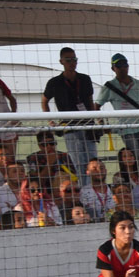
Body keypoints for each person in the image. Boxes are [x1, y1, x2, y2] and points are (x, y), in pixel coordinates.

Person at [41, 46, 98, 178]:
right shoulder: (54, 82)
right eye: (68, 60)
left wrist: (94, 119)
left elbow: (90, 100)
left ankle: (95, 189)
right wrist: (50, 120)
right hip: (69, 127)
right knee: (79, 162)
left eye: (74, 59)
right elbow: (44, 101)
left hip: (88, 125)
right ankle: (84, 191)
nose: (72, 63)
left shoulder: (85, 79)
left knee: (93, 162)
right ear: (61, 61)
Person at [95, 54, 139, 160]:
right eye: (119, 65)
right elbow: (96, 106)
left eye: (125, 65)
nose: (123, 68)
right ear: (113, 68)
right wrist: (101, 123)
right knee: (135, 159)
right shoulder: (109, 86)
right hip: (127, 130)